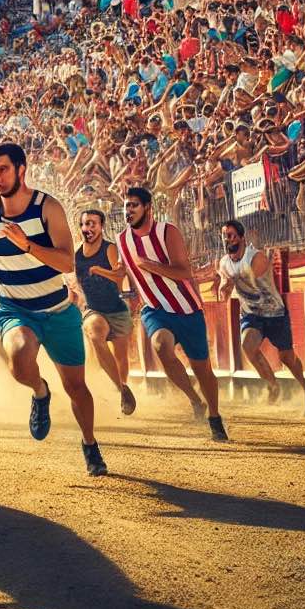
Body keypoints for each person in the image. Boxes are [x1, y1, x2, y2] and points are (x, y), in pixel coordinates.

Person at [0, 142, 106, 477]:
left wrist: (26, 244)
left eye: (3, 169)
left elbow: (67, 260)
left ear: (22, 170)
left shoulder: (46, 208)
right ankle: (40, 392)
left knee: (77, 388)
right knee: (20, 360)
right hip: (15, 310)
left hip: (57, 309)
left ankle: (90, 444)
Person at [116, 187, 227, 440]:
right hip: (154, 309)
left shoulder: (167, 231)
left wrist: (151, 266)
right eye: (126, 206)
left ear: (148, 207)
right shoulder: (122, 240)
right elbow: (125, 272)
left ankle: (214, 415)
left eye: (133, 205)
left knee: (203, 370)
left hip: (187, 309)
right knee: (160, 346)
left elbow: (184, 272)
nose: (128, 211)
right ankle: (194, 400)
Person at [214, 219, 305, 416]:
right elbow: (224, 290)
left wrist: (229, 282)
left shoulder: (256, 256)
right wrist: (223, 289)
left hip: (274, 313)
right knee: (247, 345)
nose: (229, 240)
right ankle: (273, 385)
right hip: (252, 314)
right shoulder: (224, 263)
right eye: (225, 236)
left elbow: (252, 277)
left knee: (287, 357)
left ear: (242, 238)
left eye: (232, 236)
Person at [70, 208, 137, 415]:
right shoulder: (76, 254)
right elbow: (75, 284)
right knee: (95, 333)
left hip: (116, 309)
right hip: (93, 309)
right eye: (84, 224)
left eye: (92, 223)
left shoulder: (109, 249)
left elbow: (119, 276)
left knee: (121, 356)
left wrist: (100, 270)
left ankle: (122, 391)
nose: (87, 228)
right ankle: (122, 389)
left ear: (101, 227)